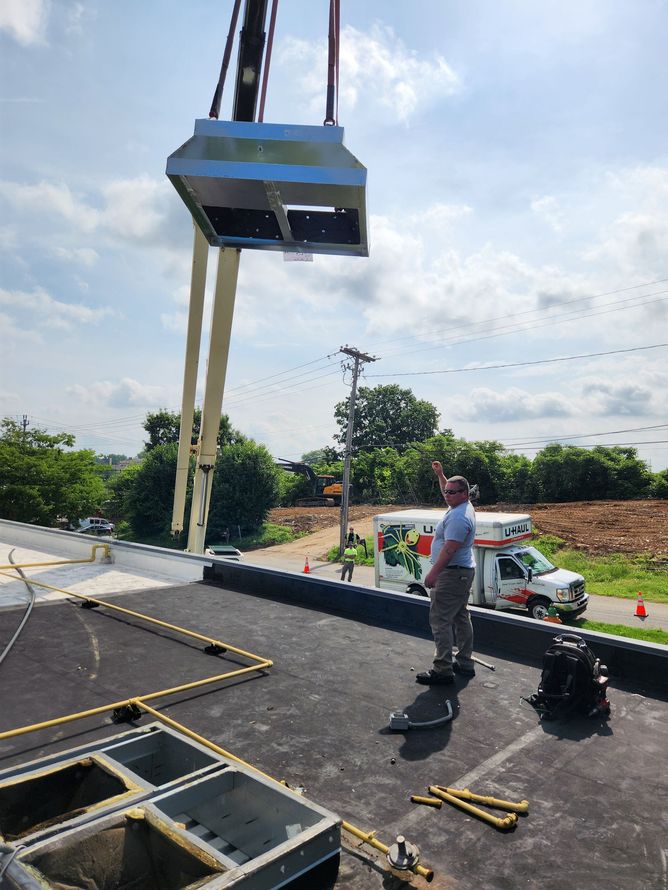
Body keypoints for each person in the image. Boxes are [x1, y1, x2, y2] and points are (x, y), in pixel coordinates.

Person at [416, 461, 476, 686]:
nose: (446, 495)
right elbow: (448, 488)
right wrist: (441, 474)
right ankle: (465, 663)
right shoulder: (462, 506)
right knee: (461, 616)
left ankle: (442, 669)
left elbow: (450, 549)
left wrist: (433, 573)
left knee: (440, 620)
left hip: (451, 574)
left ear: (464, 494)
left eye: (452, 492)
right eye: (446, 491)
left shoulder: (459, 517)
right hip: (462, 573)